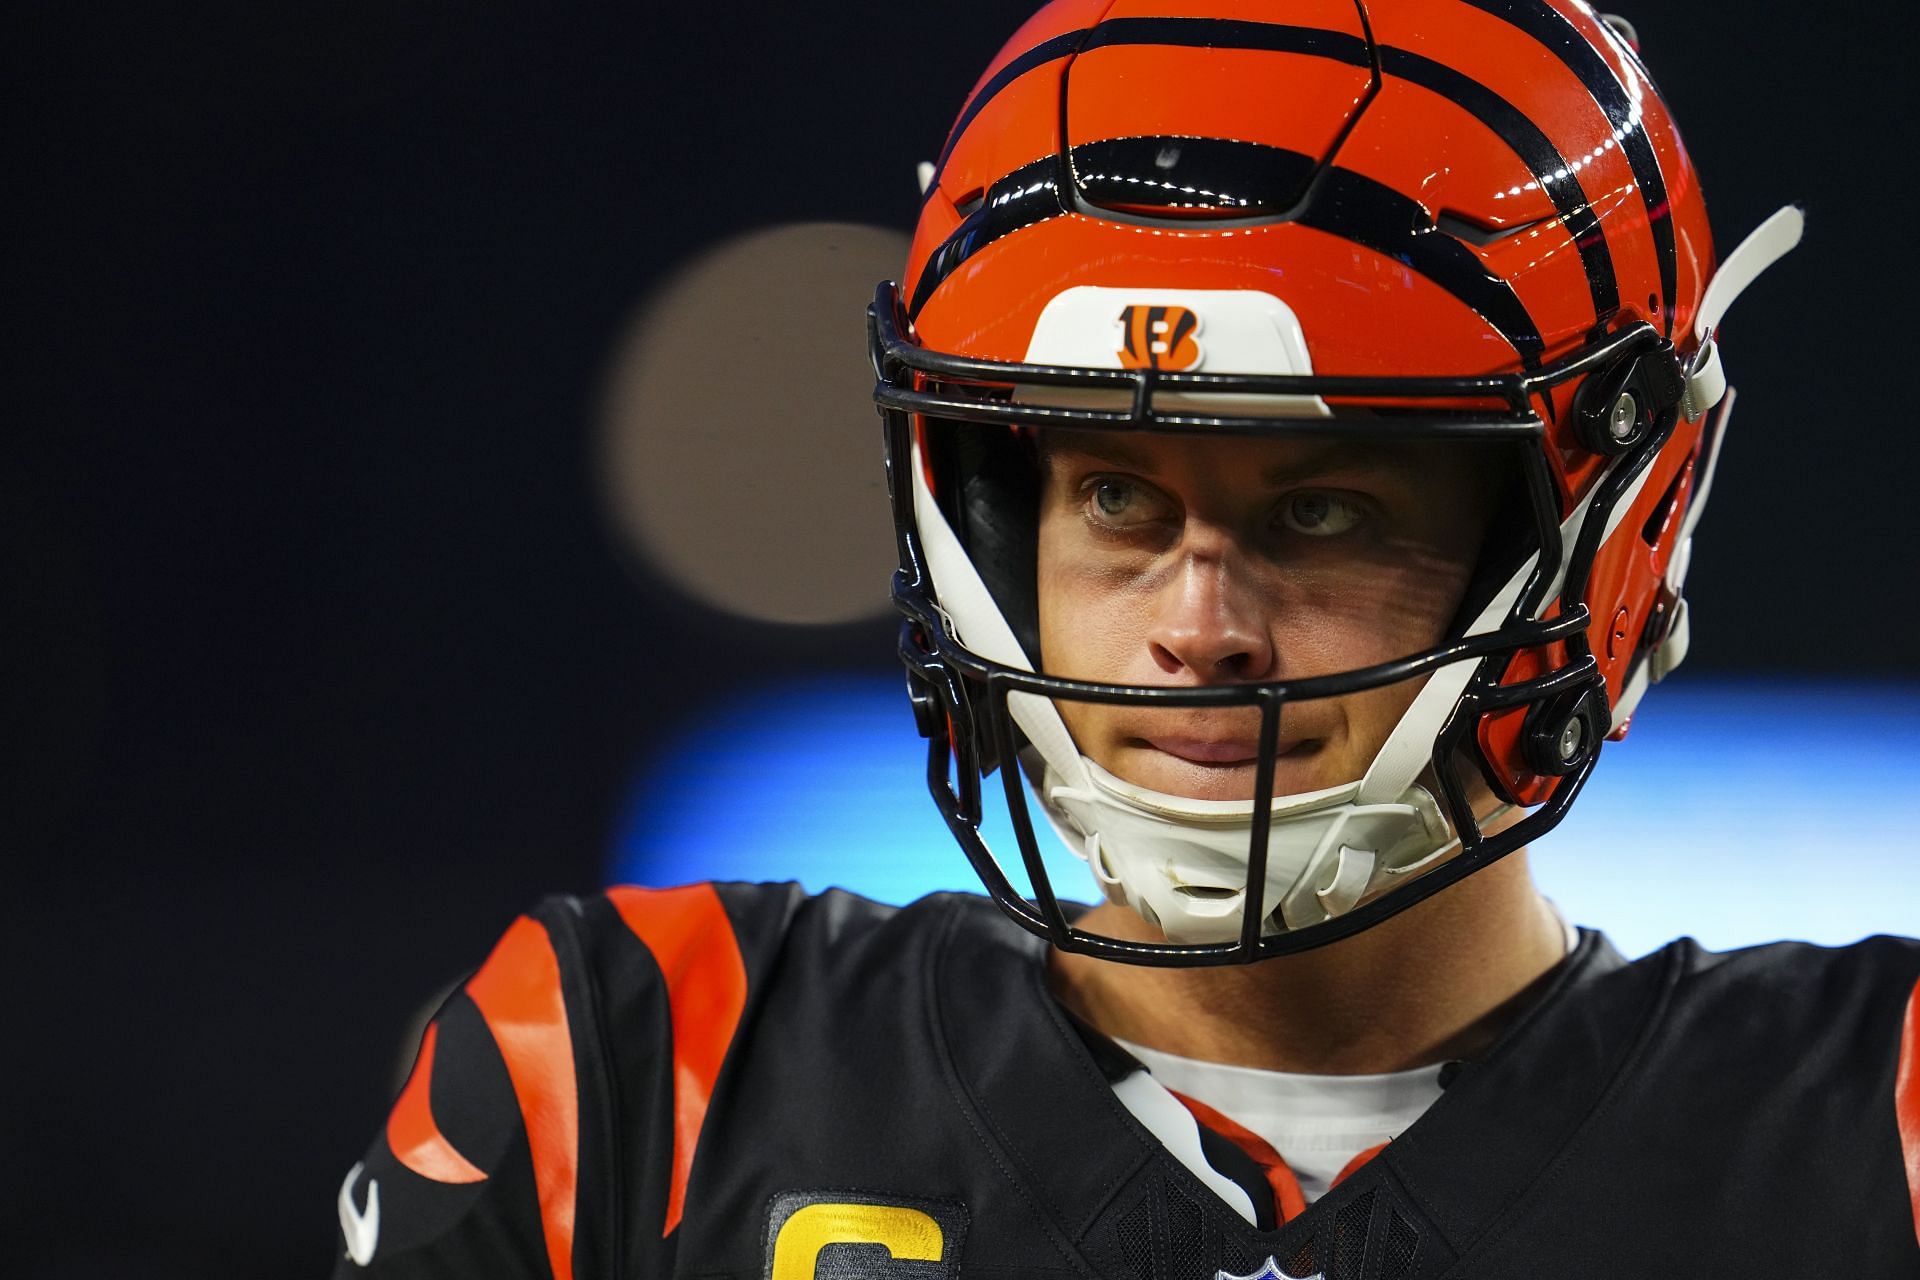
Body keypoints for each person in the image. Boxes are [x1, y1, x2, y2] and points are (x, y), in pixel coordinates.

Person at [333, 2, 1920, 1275]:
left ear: (1603, 527)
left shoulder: (1882, 1132)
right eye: (1113, 495)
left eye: (1324, 513)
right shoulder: (639, 1075)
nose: (1196, 630)